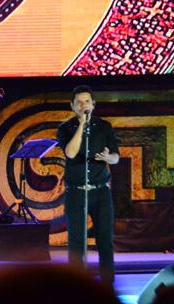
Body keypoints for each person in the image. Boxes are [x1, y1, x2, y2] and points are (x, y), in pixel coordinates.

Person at [56, 85, 119, 284]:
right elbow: (71, 153)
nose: (84, 105)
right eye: (79, 102)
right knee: (76, 242)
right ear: (73, 106)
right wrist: (82, 126)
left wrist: (109, 157)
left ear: (94, 104)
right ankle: (76, 284)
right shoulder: (65, 128)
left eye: (87, 101)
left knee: (105, 240)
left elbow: (116, 156)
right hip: (76, 193)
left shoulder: (105, 127)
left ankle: (107, 283)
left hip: (100, 192)